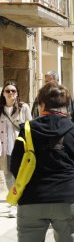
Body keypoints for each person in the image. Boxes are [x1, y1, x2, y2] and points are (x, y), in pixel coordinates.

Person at [10, 81, 74, 242]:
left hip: (32, 199)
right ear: (66, 106)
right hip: (68, 199)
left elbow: (14, 166)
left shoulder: (26, 130)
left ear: (41, 104)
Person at [0, 81, 32, 218]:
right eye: (8, 91)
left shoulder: (23, 107)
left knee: (20, 176)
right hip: (4, 148)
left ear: (17, 93)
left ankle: (21, 201)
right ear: (3, 94)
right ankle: (14, 203)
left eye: (13, 91)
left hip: (20, 148)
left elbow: (31, 126)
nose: (10, 93)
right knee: (8, 177)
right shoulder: (0, 109)